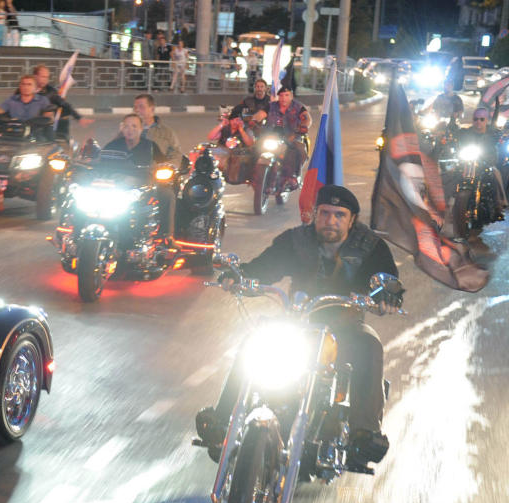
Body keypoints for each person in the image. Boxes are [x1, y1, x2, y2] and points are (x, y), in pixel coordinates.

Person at [195, 185, 403, 471]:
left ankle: (364, 434)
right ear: (314, 214)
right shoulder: (296, 241)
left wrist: (388, 294)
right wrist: (239, 276)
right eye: (325, 213)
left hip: (345, 324)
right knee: (257, 339)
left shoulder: (370, 247)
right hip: (298, 321)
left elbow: (387, 280)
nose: (331, 220)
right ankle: (224, 419)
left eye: (339, 215)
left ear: (352, 219)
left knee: (370, 345)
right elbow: (264, 266)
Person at [103, 114, 176, 242]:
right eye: (126, 126)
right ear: (122, 129)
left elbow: (163, 163)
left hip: (144, 186)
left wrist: (165, 169)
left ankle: (166, 236)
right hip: (116, 187)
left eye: (134, 126)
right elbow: (99, 162)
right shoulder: (113, 145)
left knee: (167, 195)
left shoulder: (150, 146)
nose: (130, 129)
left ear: (142, 129)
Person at [266, 85, 312, 191]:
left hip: (292, 137)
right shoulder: (271, 106)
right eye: (281, 95)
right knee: (254, 147)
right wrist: (253, 120)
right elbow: (260, 114)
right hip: (273, 137)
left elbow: (307, 118)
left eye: (286, 95)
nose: (283, 98)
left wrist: (304, 126)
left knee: (299, 149)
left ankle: (294, 176)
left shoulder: (298, 107)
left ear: (291, 96)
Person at [31, 64, 94, 139]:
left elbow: (65, 105)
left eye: (47, 77)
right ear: (35, 76)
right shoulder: (25, 89)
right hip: (28, 125)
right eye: (43, 76)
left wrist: (79, 118)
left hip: (43, 127)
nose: (45, 80)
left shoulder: (51, 91)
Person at [133, 93, 183, 166]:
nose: (137, 110)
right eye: (135, 107)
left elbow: (176, 154)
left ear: (152, 109)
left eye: (141, 107)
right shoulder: (127, 130)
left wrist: (169, 167)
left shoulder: (166, 132)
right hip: (130, 173)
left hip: (156, 173)